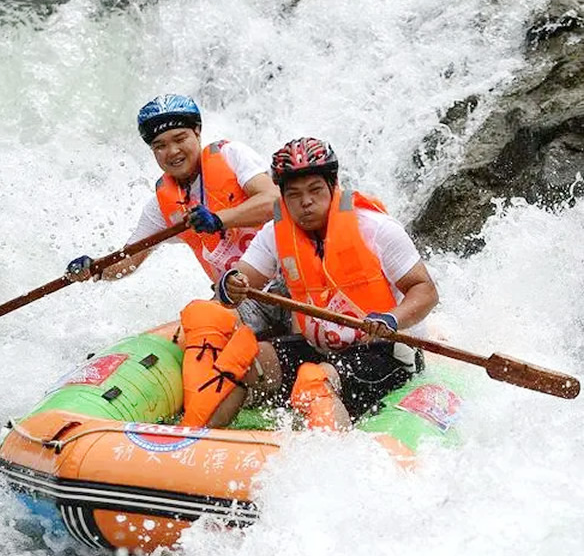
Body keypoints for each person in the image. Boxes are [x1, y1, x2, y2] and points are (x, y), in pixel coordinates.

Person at [178, 137, 439, 430]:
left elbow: (425, 290)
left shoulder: (376, 228)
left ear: (332, 185)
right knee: (245, 357)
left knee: (314, 383)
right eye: (294, 194)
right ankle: (194, 438)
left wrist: (393, 318)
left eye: (315, 190)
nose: (305, 202)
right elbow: (244, 274)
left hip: (384, 353)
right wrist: (232, 283)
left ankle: (326, 460)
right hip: (321, 348)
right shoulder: (276, 233)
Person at [64, 95, 282, 327]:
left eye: (180, 138)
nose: (173, 151)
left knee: (202, 323)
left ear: (197, 132)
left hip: (285, 282)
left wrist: (218, 220)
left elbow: (274, 201)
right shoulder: (160, 207)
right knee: (192, 324)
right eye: (160, 146)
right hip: (236, 297)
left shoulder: (231, 156)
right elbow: (128, 260)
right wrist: (94, 267)